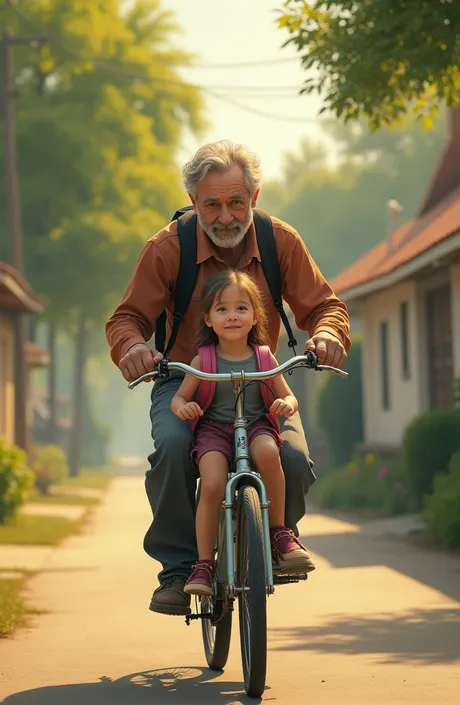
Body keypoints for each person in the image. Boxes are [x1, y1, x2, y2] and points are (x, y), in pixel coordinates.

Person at [105, 139, 350, 616]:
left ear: (253, 199)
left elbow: (325, 306)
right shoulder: (166, 248)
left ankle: (276, 537)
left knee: (293, 457)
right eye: (211, 204)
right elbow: (126, 318)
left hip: (261, 377)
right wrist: (133, 347)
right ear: (195, 203)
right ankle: (178, 570)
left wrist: (326, 334)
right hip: (187, 379)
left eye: (236, 202)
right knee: (175, 447)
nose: (224, 216)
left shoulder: (281, 242)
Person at [171, 270, 315, 597]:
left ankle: (279, 533)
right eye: (222, 309)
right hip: (213, 432)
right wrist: (182, 408)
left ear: (255, 316)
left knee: (269, 453)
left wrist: (285, 404)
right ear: (207, 319)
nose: (232, 316)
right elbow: (181, 396)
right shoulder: (203, 360)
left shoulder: (264, 357)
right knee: (211, 483)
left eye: (241, 308)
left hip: (256, 424)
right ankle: (204, 564)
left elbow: (288, 394)